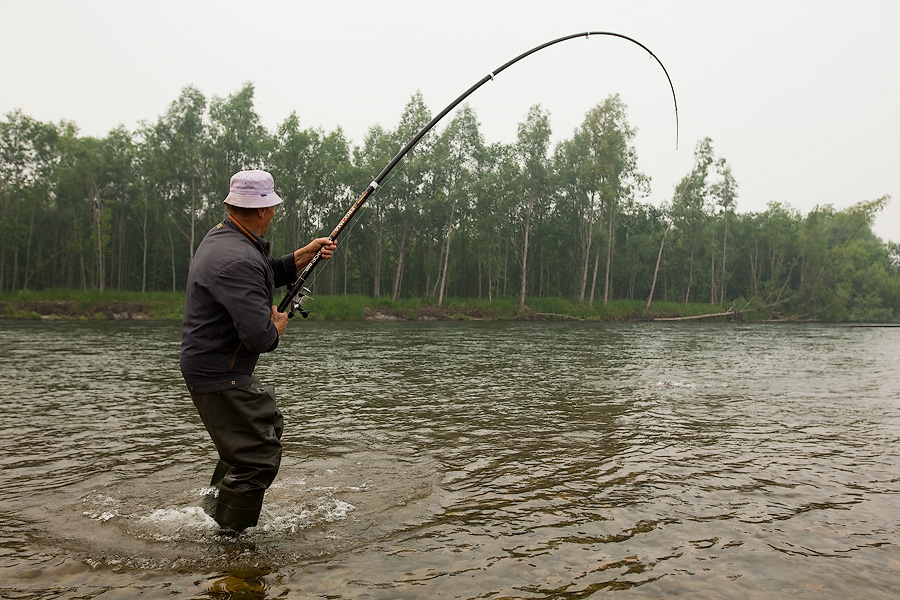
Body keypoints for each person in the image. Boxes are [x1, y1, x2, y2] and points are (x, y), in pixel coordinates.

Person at [180, 169, 336, 532]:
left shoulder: (222, 239)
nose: (275, 213)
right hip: (220, 372)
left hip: (210, 366)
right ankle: (232, 542)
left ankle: (214, 514)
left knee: (262, 429)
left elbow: (259, 272)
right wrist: (277, 326)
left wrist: (302, 255)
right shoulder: (238, 258)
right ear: (264, 210)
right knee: (257, 458)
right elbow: (258, 338)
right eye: (274, 207)